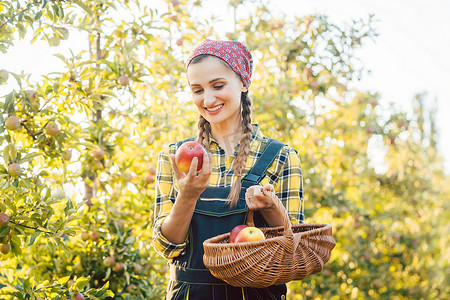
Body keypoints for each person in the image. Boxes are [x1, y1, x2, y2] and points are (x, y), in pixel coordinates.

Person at [152, 39, 304, 300]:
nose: (208, 99)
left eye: (218, 85)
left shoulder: (280, 156)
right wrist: (187, 195)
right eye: (197, 90)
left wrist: (270, 206)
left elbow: (294, 250)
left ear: (243, 83)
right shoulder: (174, 157)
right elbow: (167, 246)